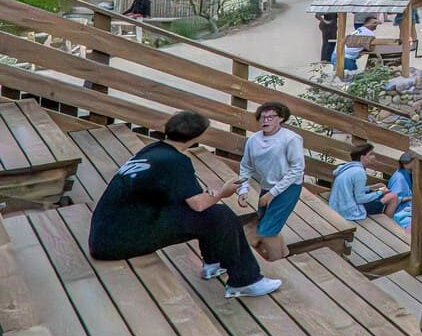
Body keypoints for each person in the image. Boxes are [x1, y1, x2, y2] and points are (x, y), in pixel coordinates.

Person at [87, 110, 282, 298]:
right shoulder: (177, 161)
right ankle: (246, 281)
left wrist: (210, 197)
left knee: (212, 214)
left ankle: (214, 263)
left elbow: (186, 197)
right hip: (119, 241)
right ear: (196, 137)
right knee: (220, 215)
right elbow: (198, 205)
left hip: (105, 234)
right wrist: (224, 191)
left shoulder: (152, 150)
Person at [238, 102, 305, 262]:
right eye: (262, 117)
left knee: (266, 230)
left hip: (289, 187)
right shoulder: (253, 140)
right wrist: (243, 189)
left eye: (270, 117)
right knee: (269, 223)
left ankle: (277, 264)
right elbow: (245, 166)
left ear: (280, 118)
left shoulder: (291, 139)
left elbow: (297, 169)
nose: (265, 121)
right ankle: (285, 254)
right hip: (266, 186)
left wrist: (272, 194)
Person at [330, 142, 399, 221]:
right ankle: (388, 225)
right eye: (370, 154)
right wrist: (381, 192)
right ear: (362, 157)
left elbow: (351, 189)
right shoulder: (359, 172)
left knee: (383, 194)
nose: (374, 157)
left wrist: (370, 188)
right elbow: (360, 199)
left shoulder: (348, 167)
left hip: (338, 206)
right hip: (349, 211)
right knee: (393, 196)